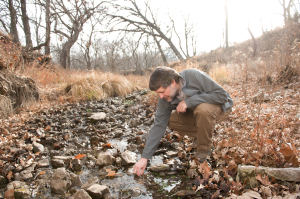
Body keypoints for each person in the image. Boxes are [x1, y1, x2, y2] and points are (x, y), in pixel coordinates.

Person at [133, 66, 233, 176]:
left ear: (172, 83)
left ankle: (204, 151)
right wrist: (145, 157)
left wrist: (188, 102)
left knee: (203, 110)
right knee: (169, 119)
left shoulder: (193, 75)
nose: (160, 96)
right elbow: (158, 125)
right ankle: (204, 134)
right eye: (158, 93)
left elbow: (222, 95)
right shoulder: (164, 99)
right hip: (198, 114)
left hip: (220, 108)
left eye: (162, 92)